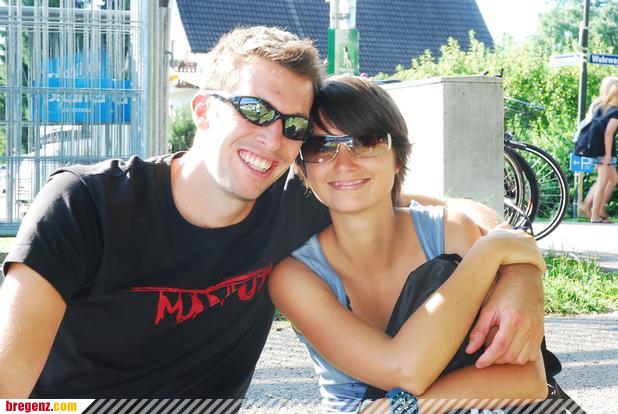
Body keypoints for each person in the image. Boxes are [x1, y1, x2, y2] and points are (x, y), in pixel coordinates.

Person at [0, 26, 543, 399]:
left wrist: (521, 272)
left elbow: (445, 209)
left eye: (295, 126)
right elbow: (8, 387)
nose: (273, 138)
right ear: (203, 110)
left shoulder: (296, 197)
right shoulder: (83, 204)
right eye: (255, 110)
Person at [269, 76, 550, 413]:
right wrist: (492, 251)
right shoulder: (296, 278)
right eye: (321, 147)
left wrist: (404, 408)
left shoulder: (450, 234)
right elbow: (404, 371)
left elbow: (528, 379)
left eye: (365, 141)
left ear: (398, 156)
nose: (344, 163)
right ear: (303, 167)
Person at [579, 76, 618, 221]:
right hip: (605, 152)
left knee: (613, 179)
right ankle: (595, 214)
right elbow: (608, 134)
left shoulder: (597, 105)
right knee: (602, 183)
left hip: (594, 149)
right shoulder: (614, 111)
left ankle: (596, 207)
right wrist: (607, 155)